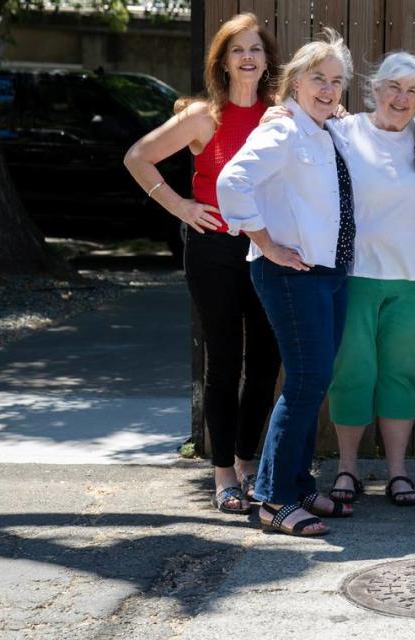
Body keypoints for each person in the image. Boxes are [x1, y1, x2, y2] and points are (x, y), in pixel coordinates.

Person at [124, 13, 281, 515]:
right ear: (223, 61)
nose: (248, 58)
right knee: (224, 361)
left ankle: (249, 463)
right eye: (238, 50)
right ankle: (222, 475)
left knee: (265, 362)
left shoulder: (280, 114)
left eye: (256, 49)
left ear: (267, 60)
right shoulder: (201, 117)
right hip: (213, 251)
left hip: (267, 249)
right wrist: (183, 207)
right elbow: (138, 157)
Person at [216, 29, 356, 536]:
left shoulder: (329, 128)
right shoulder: (282, 129)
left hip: (330, 272)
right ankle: (274, 498)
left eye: (336, 81)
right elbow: (230, 181)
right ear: (295, 80)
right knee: (303, 381)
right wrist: (267, 243)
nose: (327, 88)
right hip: (291, 273)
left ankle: (296, 483)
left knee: (314, 380)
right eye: (318, 78)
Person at [323, 52, 415, 507]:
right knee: (352, 371)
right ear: (373, 89)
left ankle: (398, 473)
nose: (401, 98)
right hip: (357, 274)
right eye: (393, 87)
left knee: (400, 373)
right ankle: (347, 469)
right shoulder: (343, 130)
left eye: (412, 90)